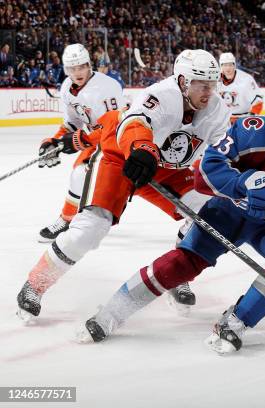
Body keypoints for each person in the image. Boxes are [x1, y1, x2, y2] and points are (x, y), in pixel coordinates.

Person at [77, 86, 265, 353]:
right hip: (231, 211)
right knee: (184, 262)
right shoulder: (249, 131)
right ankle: (112, 312)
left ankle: (236, 321)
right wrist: (242, 183)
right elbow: (205, 173)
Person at [17, 49, 231, 322]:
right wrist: (140, 148)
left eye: (212, 84)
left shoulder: (217, 111)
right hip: (121, 158)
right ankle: (35, 285)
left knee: (207, 214)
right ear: (182, 81)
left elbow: (223, 153)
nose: (208, 91)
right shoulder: (161, 95)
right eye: (201, 84)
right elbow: (134, 122)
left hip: (167, 170)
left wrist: (233, 182)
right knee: (91, 228)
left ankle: (178, 274)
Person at [37, 44, 126, 243]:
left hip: (118, 140)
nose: (77, 73)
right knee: (80, 173)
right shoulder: (67, 87)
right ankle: (72, 218)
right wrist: (53, 141)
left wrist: (79, 140)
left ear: (88, 65)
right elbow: (72, 122)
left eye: (81, 67)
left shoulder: (107, 87)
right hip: (96, 140)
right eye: (71, 68)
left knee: (82, 173)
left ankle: (69, 219)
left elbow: (115, 127)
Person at [218, 52, 263, 123]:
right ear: (221, 66)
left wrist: (252, 117)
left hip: (243, 119)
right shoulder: (215, 80)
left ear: (234, 65)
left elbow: (258, 99)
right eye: (225, 65)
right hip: (222, 120)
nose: (228, 68)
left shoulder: (246, 79)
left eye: (230, 65)